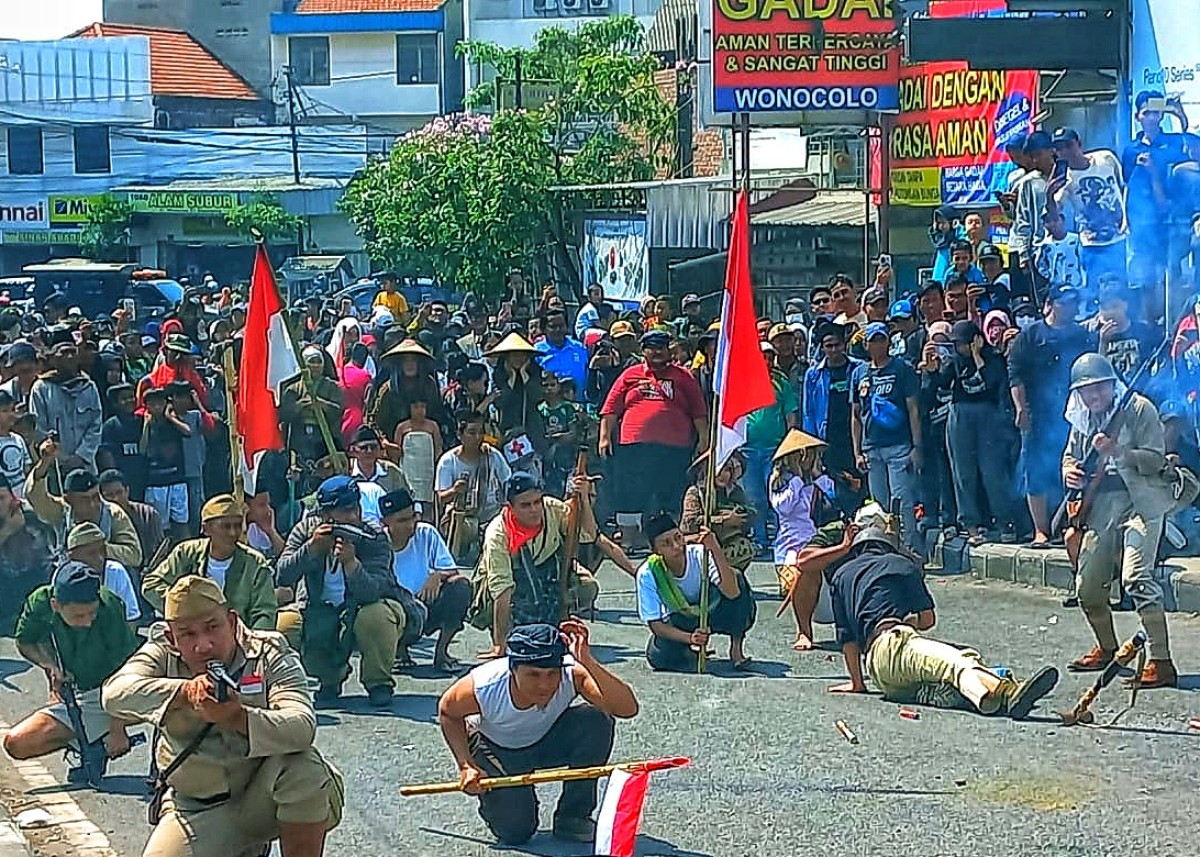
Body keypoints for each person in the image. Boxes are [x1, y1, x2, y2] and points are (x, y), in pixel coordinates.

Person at [101, 575, 344, 857]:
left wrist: (238, 718)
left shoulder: (268, 652)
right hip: (197, 807)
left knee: (304, 766)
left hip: (263, 795)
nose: (203, 645)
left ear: (232, 621)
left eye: (212, 627)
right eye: (188, 634)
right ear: (171, 637)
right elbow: (114, 694)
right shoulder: (161, 655)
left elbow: (302, 726)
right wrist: (186, 693)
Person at [826, 521, 1060, 719]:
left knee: (944, 672)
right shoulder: (901, 565)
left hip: (879, 674)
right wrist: (910, 621)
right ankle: (1008, 692)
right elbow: (928, 620)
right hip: (895, 644)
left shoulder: (841, 575)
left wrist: (857, 683)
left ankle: (984, 698)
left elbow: (847, 640)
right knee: (958, 661)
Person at [436, 622, 638, 845]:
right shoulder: (485, 685)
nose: (544, 685)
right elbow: (447, 712)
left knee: (597, 720)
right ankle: (500, 799)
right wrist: (466, 765)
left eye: (552, 674)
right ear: (512, 669)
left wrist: (588, 662)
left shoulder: (572, 673)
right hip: (496, 746)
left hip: (545, 737)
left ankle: (573, 817)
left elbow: (627, 709)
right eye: (534, 674)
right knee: (516, 832)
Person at [1062, 353, 1179, 687]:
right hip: (1100, 506)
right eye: (1087, 390)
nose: (1094, 396)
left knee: (1137, 578)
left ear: (1112, 385)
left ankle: (1161, 660)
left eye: (1100, 388)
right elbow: (1070, 456)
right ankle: (1107, 647)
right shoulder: (1082, 418)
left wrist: (1118, 453)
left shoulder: (1139, 409)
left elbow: (1156, 460)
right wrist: (1069, 471)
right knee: (1087, 587)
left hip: (1142, 501)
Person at [277, 475, 412, 707]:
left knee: (375, 617)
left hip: (366, 607)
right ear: (325, 515)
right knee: (284, 626)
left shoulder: (373, 536)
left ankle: (378, 682)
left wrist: (352, 565)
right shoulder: (305, 531)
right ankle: (329, 678)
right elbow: (282, 576)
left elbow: (372, 592)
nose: (351, 517)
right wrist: (311, 550)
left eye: (354, 509)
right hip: (319, 608)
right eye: (343, 512)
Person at [5, 562, 140, 781]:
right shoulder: (40, 602)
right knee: (17, 744)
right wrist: (50, 666)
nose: (88, 622)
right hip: (77, 695)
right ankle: (88, 741)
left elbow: (126, 670)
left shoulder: (110, 606)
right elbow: (25, 642)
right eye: (79, 616)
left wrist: (117, 728)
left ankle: (95, 737)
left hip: (117, 690)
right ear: (55, 605)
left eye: (92, 613)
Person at [470, 472, 600, 658]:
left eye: (537, 502)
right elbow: (502, 589)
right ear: (510, 507)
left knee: (588, 587)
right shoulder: (497, 534)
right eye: (525, 505)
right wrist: (499, 644)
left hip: (547, 575)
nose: (534, 509)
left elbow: (587, 535)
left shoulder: (552, 509)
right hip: (512, 585)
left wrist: (584, 501)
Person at [599, 330, 708, 549]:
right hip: (633, 447)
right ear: (643, 351)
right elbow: (610, 408)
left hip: (673, 448)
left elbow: (699, 412)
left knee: (668, 494)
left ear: (670, 350)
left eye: (662, 347)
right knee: (630, 494)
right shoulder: (630, 374)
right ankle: (631, 539)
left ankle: (667, 542)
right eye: (652, 347)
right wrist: (604, 437)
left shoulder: (684, 376)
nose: (657, 352)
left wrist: (704, 441)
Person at [1007, 284, 1094, 546]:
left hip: (1074, 413)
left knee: (1076, 467)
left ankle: (1071, 524)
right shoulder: (1031, 335)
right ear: (1050, 304)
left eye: (1073, 302)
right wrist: (1021, 408)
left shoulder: (1081, 335)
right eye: (1063, 302)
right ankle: (1041, 530)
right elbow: (1016, 374)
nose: (1069, 307)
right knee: (1035, 471)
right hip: (1038, 413)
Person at [635, 512, 755, 672]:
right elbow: (656, 625)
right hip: (683, 619)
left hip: (713, 609)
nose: (677, 546)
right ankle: (690, 651)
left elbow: (732, 592)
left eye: (678, 537)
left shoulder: (700, 555)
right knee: (657, 655)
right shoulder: (648, 573)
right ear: (656, 551)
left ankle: (736, 648)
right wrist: (691, 638)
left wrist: (715, 549)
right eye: (666, 544)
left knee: (736, 577)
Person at [142, 494, 278, 633]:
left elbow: (265, 613)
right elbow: (151, 584)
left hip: (237, 640)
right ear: (206, 529)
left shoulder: (255, 563)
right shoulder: (186, 553)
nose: (232, 533)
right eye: (225, 526)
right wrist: (183, 606)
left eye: (237, 525)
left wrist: (249, 643)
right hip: (189, 635)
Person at [934, 321, 1017, 544]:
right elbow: (940, 384)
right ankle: (970, 524)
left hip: (988, 416)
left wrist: (978, 356)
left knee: (993, 471)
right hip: (960, 415)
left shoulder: (992, 359)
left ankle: (1004, 521)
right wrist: (932, 369)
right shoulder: (954, 362)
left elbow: (992, 381)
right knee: (963, 472)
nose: (959, 349)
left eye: (962, 344)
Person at [380, 489, 472, 672]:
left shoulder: (426, 532)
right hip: (397, 610)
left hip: (426, 603)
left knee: (461, 586)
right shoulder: (378, 543)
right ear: (385, 523)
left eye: (413, 516)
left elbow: (451, 569)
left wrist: (437, 575)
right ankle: (399, 651)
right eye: (402, 520)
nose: (411, 524)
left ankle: (441, 653)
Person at [850, 322, 922, 548]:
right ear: (866, 344)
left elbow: (913, 409)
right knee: (878, 505)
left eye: (882, 339)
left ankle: (909, 547)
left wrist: (917, 446)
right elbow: (855, 414)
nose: (878, 344)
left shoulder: (902, 368)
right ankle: (885, 548)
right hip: (871, 448)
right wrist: (857, 452)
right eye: (873, 340)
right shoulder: (858, 372)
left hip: (898, 445)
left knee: (901, 500)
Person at [769, 429, 836, 650]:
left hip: (818, 539)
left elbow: (834, 498)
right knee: (801, 574)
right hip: (790, 545)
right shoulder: (779, 480)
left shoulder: (817, 480)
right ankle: (804, 631)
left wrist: (817, 476)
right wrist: (797, 478)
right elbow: (784, 507)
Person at [1122, 91, 1189, 287]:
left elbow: (1190, 147)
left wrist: (1180, 114)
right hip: (1141, 220)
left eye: (1156, 113)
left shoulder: (1172, 142)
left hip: (1169, 217)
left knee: (1171, 270)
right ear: (1138, 117)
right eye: (1146, 113)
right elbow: (1127, 184)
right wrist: (1125, 219)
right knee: (1145, 274)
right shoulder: (1131, 149)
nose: (1151, 118)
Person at [1047, 126, 1128, 289]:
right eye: (1059, 148)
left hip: (1119, 237)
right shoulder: (1066, 180)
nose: (1065, 152)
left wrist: (1127, 218)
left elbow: (1124, 185)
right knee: (1094, 291)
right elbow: (1054, 215)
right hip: (1091, 244)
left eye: (1068, 145)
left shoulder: (1105, 158)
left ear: (1078, 143)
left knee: (1121, 288)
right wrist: (1049, 193)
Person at [25, 457, 142, 569]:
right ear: (68, 500)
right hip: (69, 573)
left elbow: (134, 555)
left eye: (96, 497)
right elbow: (35, 496)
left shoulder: (113, 513)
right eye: (84, 500)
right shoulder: (61, 511)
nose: (92, 505)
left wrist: (98, 549)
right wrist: (45, 462)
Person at [435, 410, 512, 564]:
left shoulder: (492, 456)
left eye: (480, 432)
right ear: (460, 435)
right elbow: (440, 498)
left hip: (493, 513)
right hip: (463, 517)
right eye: (471, 433)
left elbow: (508, 482)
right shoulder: (448, 461)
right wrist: (455, 490)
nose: (477, 437)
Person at [803, 321, 864, 515]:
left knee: (858, 487)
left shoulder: (859, 368)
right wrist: (813, 449)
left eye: (837, 345)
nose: (834, 349)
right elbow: (808, 412)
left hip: (854, 438)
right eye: (829, 346)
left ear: (844, 344)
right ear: (822, 348)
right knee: (833, 490)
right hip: (827, 440)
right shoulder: (813, 374)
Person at [28, 326, 104, 471]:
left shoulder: (89, 386)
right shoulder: (41, 388)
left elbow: (96, 424)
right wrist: (62, 459)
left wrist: (81, 456)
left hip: (85, 464)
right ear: (53, 359)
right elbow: (39, 428)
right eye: (63, 353)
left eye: (72, 352)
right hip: (55, 466)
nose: (69, 357)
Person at [680, 451, 755, 573]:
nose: (723, 475)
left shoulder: (734, 491)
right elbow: (689, 523)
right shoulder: (695, 492)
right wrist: (723, 520)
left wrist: (738, 514)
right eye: (718, 470)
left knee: (743, 547)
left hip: (727, 541)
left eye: (727, 470)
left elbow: (752, 512)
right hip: (701, 543)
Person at [140, 386, 192, 542]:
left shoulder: (173, 421)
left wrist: (171, 417)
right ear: (147, 406)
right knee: (159, 528)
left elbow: (188, 432)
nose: (157, 407)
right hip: (156, 482)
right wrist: (146, 425)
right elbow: (143, 449)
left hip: (177, 479)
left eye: (160, 403)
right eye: (152, 404)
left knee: (182, 522)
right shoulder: (146, 424)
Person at [65, 522, 141, 623]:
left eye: (102, 551)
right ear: (72, 557)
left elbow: (131, 618)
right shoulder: (63, 578)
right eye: (91, 553)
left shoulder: (116, 572)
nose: (100, 558)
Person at [98, 469, 165, 577]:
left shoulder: (147, 514)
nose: (116, 499)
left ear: (127, 491)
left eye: (119, 492)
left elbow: (159, 550)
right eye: (109, 495)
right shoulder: (100, 519)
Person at [97, 383, 146, 501]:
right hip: (122, 483)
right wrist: (114, 479)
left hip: (143, 479)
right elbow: (106, 454)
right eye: (124, 398)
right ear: (115, 403)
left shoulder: (143, 422)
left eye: (131, 396)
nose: (130, 400)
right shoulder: (110, 426)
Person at [394, 398, 441, 513]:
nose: (420, 410)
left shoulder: (433, 426)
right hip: (408, 472)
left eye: (423, 407)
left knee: (427, 509)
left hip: (427, 473)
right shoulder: (402, 427)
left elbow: (438, 449)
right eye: (416, 407)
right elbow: (396, 452)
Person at [348, 425, 407, 494]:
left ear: (379, 449)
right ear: (354, 451)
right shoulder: (346, 472)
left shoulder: (392, 472)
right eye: (364, 447)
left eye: (373, 447)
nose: (369, 451)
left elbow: (407, 499)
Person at [0, 389, 31, 499]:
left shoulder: (18, 439)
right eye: (5, 411)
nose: (10, 414)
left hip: (23, 499)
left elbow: (26, 470)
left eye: (12, 410)